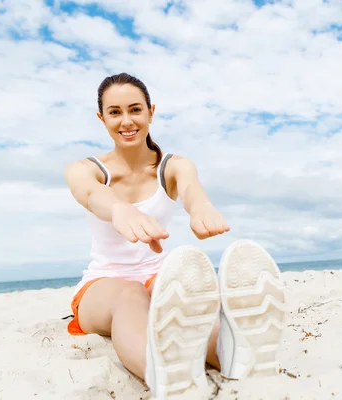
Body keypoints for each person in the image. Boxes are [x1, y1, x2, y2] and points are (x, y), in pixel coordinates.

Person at [64, 72, 287, 399]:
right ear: (102, 118)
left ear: (151, 112)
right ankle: (162, 371)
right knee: (130, 294)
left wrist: (201, 208)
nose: (127, 120)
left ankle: (231, 353)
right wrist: (120, 210)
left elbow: (191, 189)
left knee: (186, 302)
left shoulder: (174, 165)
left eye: (135, 110)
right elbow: (91, 194)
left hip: (159, 277)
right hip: (102, 287)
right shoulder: (85, 168)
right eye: (115, 112)